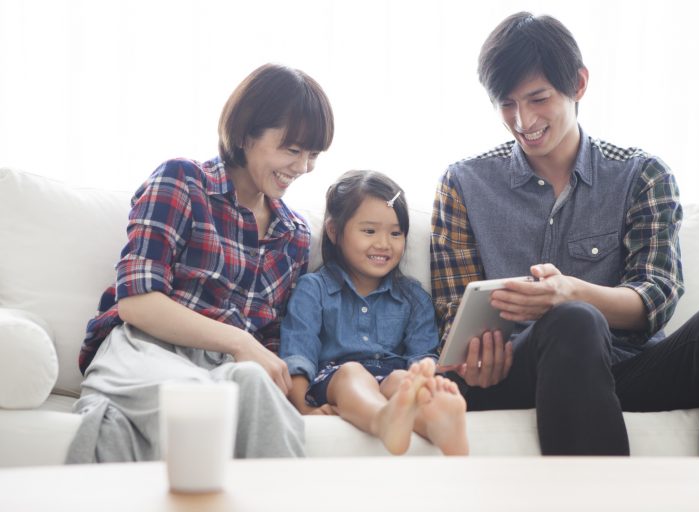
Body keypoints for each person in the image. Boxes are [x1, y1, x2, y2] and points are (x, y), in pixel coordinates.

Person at [430, 12, 699, 456]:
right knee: (573, 321)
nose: (522, 119)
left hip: (627, 367)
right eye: (507, 104)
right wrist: (473, 355)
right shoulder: (464, 183)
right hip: (516, 369)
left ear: (579, 84)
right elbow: (453, 316)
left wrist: (572, 292)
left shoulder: (641, 175)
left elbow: (657, 297)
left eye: (538, 98)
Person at [66, 63, 334, 463]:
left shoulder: (293, 233)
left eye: (312, 155)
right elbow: (137, 303)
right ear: (245, 135)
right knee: (201, 402)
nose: (302, 167)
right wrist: (239, 341)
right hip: (145, 349)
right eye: (291, 150)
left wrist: (302, 395)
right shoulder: (183, 182)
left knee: (253, 390)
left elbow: (273, 338)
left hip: (225, 368)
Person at [280, 170, 468, 455]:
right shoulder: (313, 289)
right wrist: (304, 408)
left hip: (392, 380)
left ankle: (438, 424)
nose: (383, 244)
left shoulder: (413, 297)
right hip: (335, 379)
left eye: (395, 233)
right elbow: (297, 354)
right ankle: (383, 420)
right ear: (334, 232)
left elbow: (422, 357)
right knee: (352, 373)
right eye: (369, 231)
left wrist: (424, 381)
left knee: (403, 380)